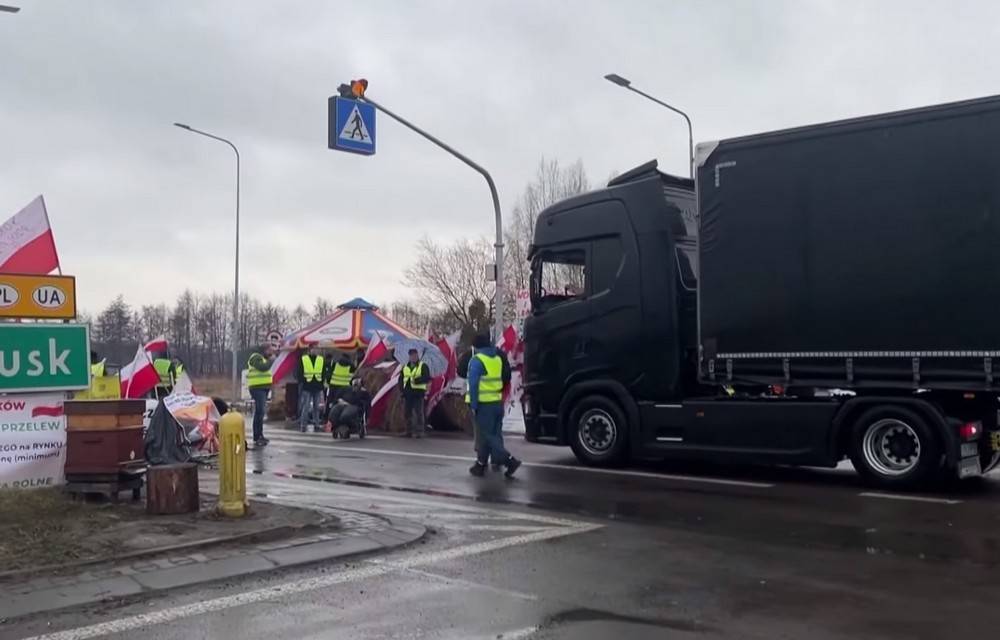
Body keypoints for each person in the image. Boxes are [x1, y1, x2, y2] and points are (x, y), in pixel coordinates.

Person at [467, 334, 521, 478]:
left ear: (476, 346)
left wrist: (473, 404)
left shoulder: (477, 360)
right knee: (494, 435)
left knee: (488, 436)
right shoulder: (497, 359)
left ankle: (510, 461)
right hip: (497, 402)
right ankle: (480, 465)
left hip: (484, 404)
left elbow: (473, 384)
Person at [247, 344, 276, 447]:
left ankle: (260, 435)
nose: (271, 353)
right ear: (264, 350)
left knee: (261, 412)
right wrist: (271, 360)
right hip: (257, 388)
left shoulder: (263, 358)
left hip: (263, 388)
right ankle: (257, 436)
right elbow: (262, 368)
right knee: (260, 411)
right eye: (269, 350)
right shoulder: (255, 357)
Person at [399, 348, 431, 438]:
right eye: (412, 355)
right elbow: (401, 379)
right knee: (407, 412)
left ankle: (419, 431)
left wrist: (417, 380)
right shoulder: (405, 367)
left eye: (415, 355)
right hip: (407, 393)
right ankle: (408, 431)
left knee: (419, 412)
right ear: (409, 357)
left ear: (417, 356)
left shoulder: (423, 366)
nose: (413, 357)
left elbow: (427, 377)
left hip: (418, 393)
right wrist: (401, 389)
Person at [297, 345, 325, 433]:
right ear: (310, 350)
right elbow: (300, 372)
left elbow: (323, 372)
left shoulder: (320, 359)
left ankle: (316, 425)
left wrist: (322, 383)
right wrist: (303, 381)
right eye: (314, 349)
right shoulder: (304, 359)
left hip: (317, 385)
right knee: (306, 406)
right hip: (307, 386)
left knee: (316, 407)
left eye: (317, 349)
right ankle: (303, 425)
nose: (316, 351)